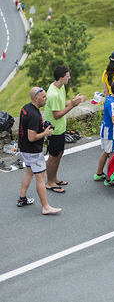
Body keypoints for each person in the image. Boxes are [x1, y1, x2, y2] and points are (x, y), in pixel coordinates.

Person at [17, 87, 61, 215]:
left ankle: (22, 198)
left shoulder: (26, 108)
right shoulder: (34, 115)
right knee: (41, 178)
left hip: (24, 148)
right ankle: (46, 207)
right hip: (33, 151)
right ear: (36, 98)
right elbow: (31, 137)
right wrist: (46, 133)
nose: (46, 98)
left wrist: (41, 129)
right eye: (44, 97)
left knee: (29, 171)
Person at [45, 66, 87, 193]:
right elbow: (56, 114)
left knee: (60, 153)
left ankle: (54, 178)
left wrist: (75, 101)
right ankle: (50, 182)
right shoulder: (53, 94)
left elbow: (62, 102)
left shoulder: (60, 86)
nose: (69, 78)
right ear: (61, 78)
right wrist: (73, 106)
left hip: (60, 127)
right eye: (67, 76)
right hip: (54, 129)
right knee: (53, 156)